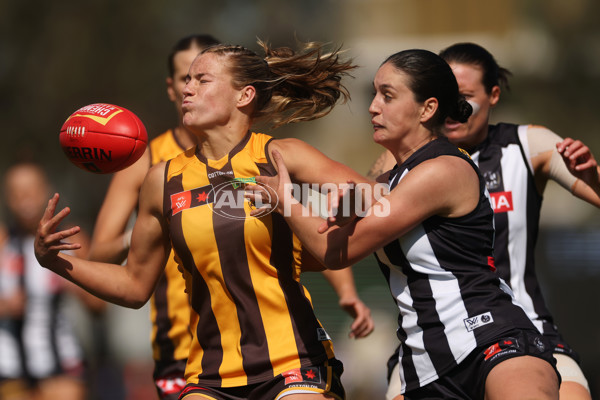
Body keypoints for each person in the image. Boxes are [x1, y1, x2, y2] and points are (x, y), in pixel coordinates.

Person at [34, 40, 377, 400]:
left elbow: (373, 197)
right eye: (187, 80)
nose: (187, 88)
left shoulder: (278, 155)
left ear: (243, 96)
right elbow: (134, 286)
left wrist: (320, 203)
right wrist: (54, 261)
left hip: (294, 362)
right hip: (209, 374)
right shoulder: (161, 180)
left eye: (202, 80)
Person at [248, 48, 561, 399]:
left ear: (427, 108)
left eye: (388, 95)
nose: (373, 106)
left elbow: (335, 252)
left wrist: (285, 200)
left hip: (493, 341)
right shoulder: (387, 183)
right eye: (374, 94)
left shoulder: (443, 170)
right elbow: (331, 239)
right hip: (426, 365)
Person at [374, 42, 597, 400]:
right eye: (447, 93)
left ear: (493, 95)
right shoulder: (398, 164)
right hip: (431, 344)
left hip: (521, 331)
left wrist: (591, 174)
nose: (454, 106)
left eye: (465, 95)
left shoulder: (526, 144)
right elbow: (354, 228)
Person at [0, 161, 105, 400]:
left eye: (31, 189)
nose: (24, 197)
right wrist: (5, 306)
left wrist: (78, 285)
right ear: (8, 198)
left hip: (62, 365)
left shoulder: (73, 241)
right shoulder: (2, 241)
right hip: (10, 368)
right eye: (17, 191)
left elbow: (100, 307)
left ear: (47, 191)